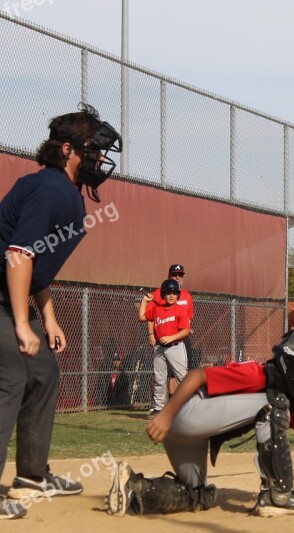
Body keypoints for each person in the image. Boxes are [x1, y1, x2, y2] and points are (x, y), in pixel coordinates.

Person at [105, 327, 294, 517]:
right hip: (186, 415)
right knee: (273, 406)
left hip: (189, 431)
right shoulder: (260, 377)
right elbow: (197, 376)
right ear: (291, 367)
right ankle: (277, 496)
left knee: (196, 495)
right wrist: (166, 413)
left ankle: (134, 489)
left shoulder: (281, 395)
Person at [0, 104, 122, 520]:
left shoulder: (63, 192)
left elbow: (36, 263)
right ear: (68, 149)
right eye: (94, 150)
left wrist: (47, 317)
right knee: (12, 376)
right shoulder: (51, 190)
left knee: (43, 371)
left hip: (11, 295)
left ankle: (32, 474)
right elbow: (17, 255)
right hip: (2, 300)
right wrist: (21, 323)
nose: (101, 159)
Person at [139, 279, 191, 420]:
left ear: (178, 295)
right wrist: (144, 301)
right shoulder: (157, 309)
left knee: (183, 378)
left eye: (174, 293)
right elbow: (142, 317)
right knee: (159, 378)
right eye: (168, 293)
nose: (171, 295)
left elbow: (186, 331)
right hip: (159, 348)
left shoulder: (180, 310)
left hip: (175, 347)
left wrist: (171, 337)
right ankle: (158, 408)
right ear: (163, 294)